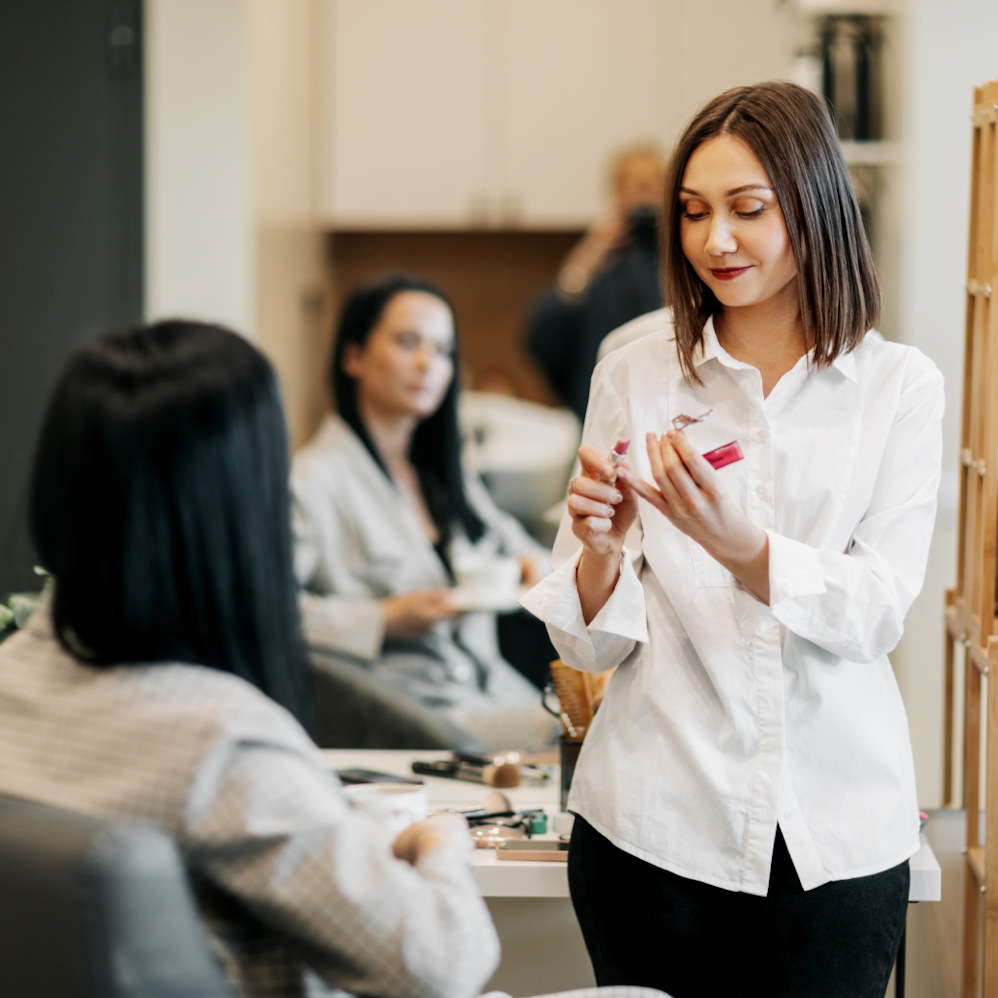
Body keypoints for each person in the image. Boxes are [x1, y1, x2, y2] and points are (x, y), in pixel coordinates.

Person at [521, 81, 943, 998]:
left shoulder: (898, 388)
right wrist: (597, 551)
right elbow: (587, 645)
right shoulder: (635, 374)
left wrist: (742, 547)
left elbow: (875, 613)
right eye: (694, 212)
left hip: (835, 840)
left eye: (748, 210)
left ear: (814, 208)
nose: (716, 240)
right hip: (650, 827)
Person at [0, 320, 500, 998]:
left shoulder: (12, 679)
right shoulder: (219, 746)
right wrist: (442, 847)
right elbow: (446, 964)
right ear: (236, 507)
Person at [293, 274, 555, 753]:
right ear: (353, 357)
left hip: (488, 690)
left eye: (442, 350)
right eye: (408, 342)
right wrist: (382, 619)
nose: (427, 364)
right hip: (413, 715)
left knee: (604, 704)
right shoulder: (314, 481)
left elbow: (524, 551)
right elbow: (270, 610)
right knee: (586, 723)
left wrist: (530, 570)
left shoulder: (443, 477)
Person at [527, 145, 666, 423]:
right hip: (601, 415)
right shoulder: (597, 265)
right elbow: (541, 334)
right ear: (615, 194)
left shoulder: (682, 261)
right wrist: (589, 255)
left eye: (650, 183)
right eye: (630, 184)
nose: (641, 194)